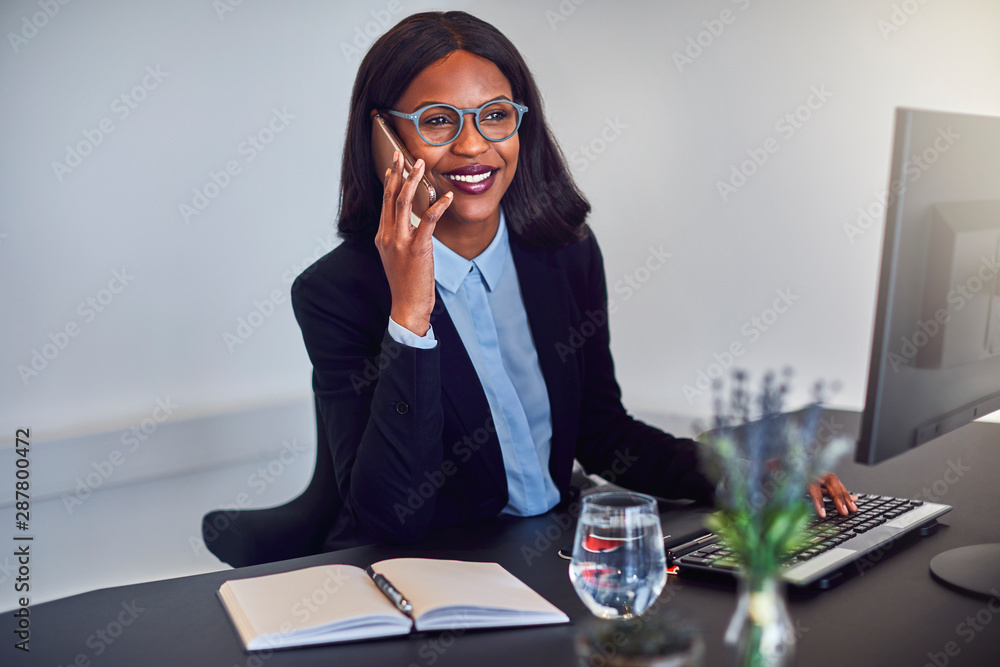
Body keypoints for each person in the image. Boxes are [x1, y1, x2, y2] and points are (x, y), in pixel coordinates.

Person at [291, 11, 855, 551]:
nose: (472, 146)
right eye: (438, 121)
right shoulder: (337, 294)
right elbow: (393, 517)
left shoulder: (563, 254)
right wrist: (410, 315)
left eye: (495, 115)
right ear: (383, 137)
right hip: (432, 580)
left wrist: (740, 477)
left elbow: (602, 433)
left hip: (550, 555)